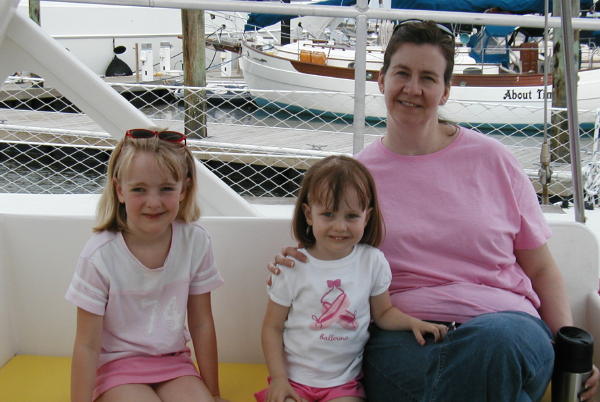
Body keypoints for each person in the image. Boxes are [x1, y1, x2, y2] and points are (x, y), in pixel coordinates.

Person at [269, 21, 599, 401]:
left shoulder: (494, 161)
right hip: (403, 337)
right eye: (402, 74)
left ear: (445, 91)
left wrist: (573, 351)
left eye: (428, 77)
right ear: (381, 80)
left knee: (494, 347)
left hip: (507, 328)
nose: (413, 89)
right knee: (481, 379)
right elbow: (329, 255)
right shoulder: (357, 181)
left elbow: (540, 268)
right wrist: (294, 258)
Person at [256, 155, 448, 402]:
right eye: (328, 214)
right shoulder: (292, 266)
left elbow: (384, 313)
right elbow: (272, 327)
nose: (340, 227)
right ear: (308, 214)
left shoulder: (373, 261)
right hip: (292, 381)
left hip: (343, 385)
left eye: (351, 216)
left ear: (366, 217)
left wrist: (414, 323)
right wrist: (279, 380)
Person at [66, 129, 227, 402]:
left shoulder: (195, 241)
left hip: (174, 364)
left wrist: (213, 393)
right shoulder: (99, 255)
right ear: (120, 190)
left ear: (184, 190)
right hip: (116, 367)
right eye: (139, 189)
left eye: (166, 188)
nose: (153, 202)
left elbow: (201, 323)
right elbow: (86, 345)